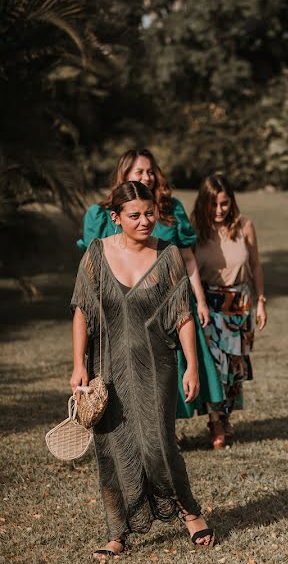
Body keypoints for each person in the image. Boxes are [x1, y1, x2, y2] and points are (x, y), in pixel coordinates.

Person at [70, 181, 215, 560]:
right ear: (115, 218)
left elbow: (183, 315)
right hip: (107, 368)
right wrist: (77, 367)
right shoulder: (97, 254)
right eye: (134, 215)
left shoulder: (168, 256)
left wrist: (192, 366)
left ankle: (189, 512)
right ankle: (117, 532)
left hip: (157, 364)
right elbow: (82, 310)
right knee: (114, 450)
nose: (145, 220)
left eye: (150, 212)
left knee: (158, 444)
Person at [77, 148, 225, 432]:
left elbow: (188, 257)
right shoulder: (99, 215)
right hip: (123, 309)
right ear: (124, 176)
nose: (147, 176)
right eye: (139, 172)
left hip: (171, 299)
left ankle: (208, 421)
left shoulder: (171, 209)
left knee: (188, 363)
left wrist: (201, 300)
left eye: (150, 171)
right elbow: (90, 268)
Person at [192, 175, 267, 448]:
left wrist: (261, 300)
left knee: (234, 367)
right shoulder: (195, 229)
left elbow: (256, 265)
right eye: (213, 205)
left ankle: (225, 417)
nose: (219, 210)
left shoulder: (244, 226)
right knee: (213, 365)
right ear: (204, 204)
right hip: (208, 303)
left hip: (240, 302)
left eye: (224, 204)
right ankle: (215, 421)